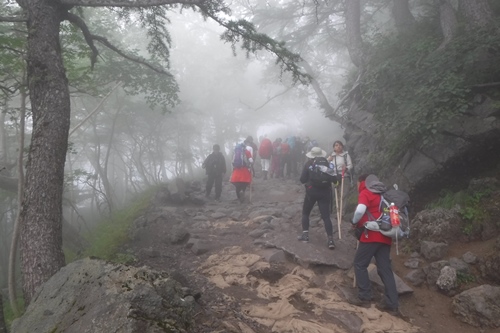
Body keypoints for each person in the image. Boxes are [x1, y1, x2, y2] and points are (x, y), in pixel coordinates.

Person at [350, 174, 401, 316]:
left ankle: (365, 296)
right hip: (386, 236)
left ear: (362, 182)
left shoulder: (366, 192)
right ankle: (392, 303)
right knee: (385, 269)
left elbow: (360, 210)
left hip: (370, 235)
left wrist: (354, 222)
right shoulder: (385, 195)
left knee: (360, 264)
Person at [297, 147, 335, 249]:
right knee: (326, 216)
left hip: (311, 192)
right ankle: (330, 240)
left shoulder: (309, 164)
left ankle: (305, 235)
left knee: (306, 213)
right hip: (325, 192)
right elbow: (333, 177)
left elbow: (302, 179)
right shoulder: (327, 163)